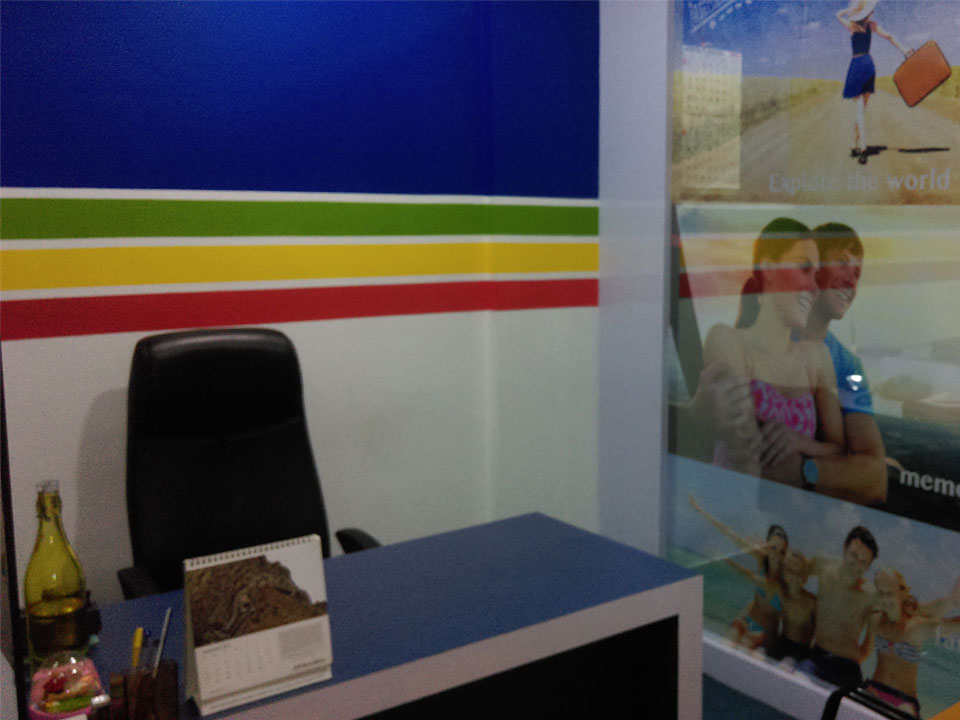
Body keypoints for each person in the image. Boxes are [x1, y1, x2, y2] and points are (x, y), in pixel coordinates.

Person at [692, 218, 845, 480]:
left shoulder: (817, 357)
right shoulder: (727, 340)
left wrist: (799, 442)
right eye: (804, 268)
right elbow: (746, 458)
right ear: (769, 268)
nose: (815, 288)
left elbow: (840, 450)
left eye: (817, 276)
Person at [787, 223, 887, 504]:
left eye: (857, 274)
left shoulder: (849, 367)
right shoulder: (770, 335)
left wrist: (802, 473)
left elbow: (875, 478)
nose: (851, 282)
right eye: (842, 263)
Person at [688, 495, 786, 649]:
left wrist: (724, 559)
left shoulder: (785, 576)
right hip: (748, 616)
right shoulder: (763, 558)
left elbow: (751, 576)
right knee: (725, 644)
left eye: (781, 551)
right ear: (767, 547)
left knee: (742, 647)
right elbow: (728, 532)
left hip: (765, 629)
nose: (776, 554)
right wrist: (700, 510)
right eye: (772, 548)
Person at [865, 569, 960, 717]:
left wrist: (954, 599)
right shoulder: (876, 620)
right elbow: (864, 650)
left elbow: (950, 622)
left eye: (890, 593)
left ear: (903, 593)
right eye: (881, 593)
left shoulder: (917, 626)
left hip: (903, 700)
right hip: (875, 689)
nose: (885, 599)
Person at [799, 526, 879, 687]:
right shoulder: (822, 565)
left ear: (869, 566)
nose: (856, 564)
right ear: (844, 549)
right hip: (817, 657)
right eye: (853, 555)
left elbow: (869, 644)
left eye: (863, 562)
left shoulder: (871, 595)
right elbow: (793, 571)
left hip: (847, 668)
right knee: (796, 687)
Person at [836, 0, 911, 164]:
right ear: (867, 13)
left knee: (858, 111)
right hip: (868, 64)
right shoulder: (872, 26)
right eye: (870, 11)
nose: (872, 13)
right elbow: (889, 36)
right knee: (861, 110)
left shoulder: (851, 26)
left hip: (856, 65)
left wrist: (850, 10)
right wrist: (904, 49)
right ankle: (857, 144)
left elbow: (837, 15)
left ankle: (862, 148)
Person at [766, 549, 816, 664]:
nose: (795, 576)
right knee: (760, 656)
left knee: (787, 664)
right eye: (791, 571)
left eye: (800, 573)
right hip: (782, 641)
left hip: (802, 649)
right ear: (784, 573)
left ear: (805, 577)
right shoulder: (781, 594)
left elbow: (819, 633)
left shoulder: (813, 602)